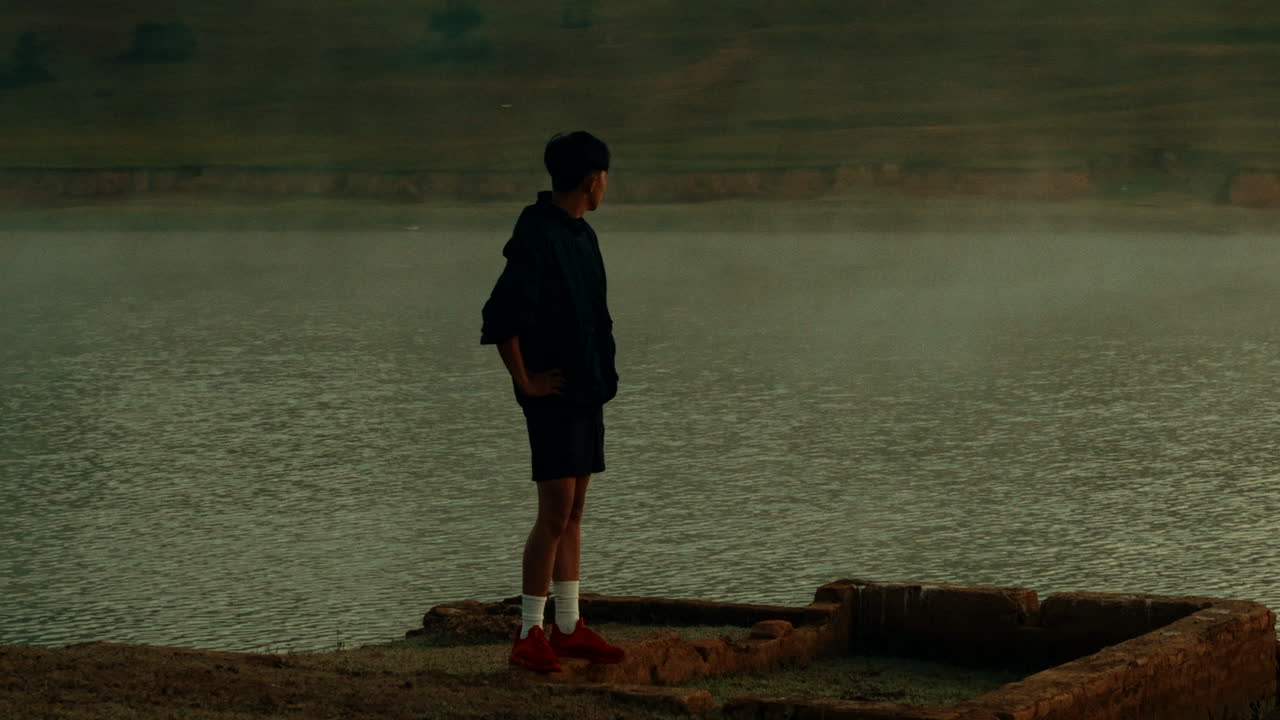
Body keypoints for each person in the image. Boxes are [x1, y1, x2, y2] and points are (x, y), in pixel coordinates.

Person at [480, 131, 625, 673]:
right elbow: (501, 316)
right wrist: (526, 382)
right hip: (555, 396)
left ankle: (567, 626)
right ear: (592, 179)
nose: (606, 185)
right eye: (605, 177)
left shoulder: (582, 234)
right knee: (554, 513)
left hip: (585, 390)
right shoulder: (538, 234)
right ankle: (528, 633)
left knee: (575, 511)